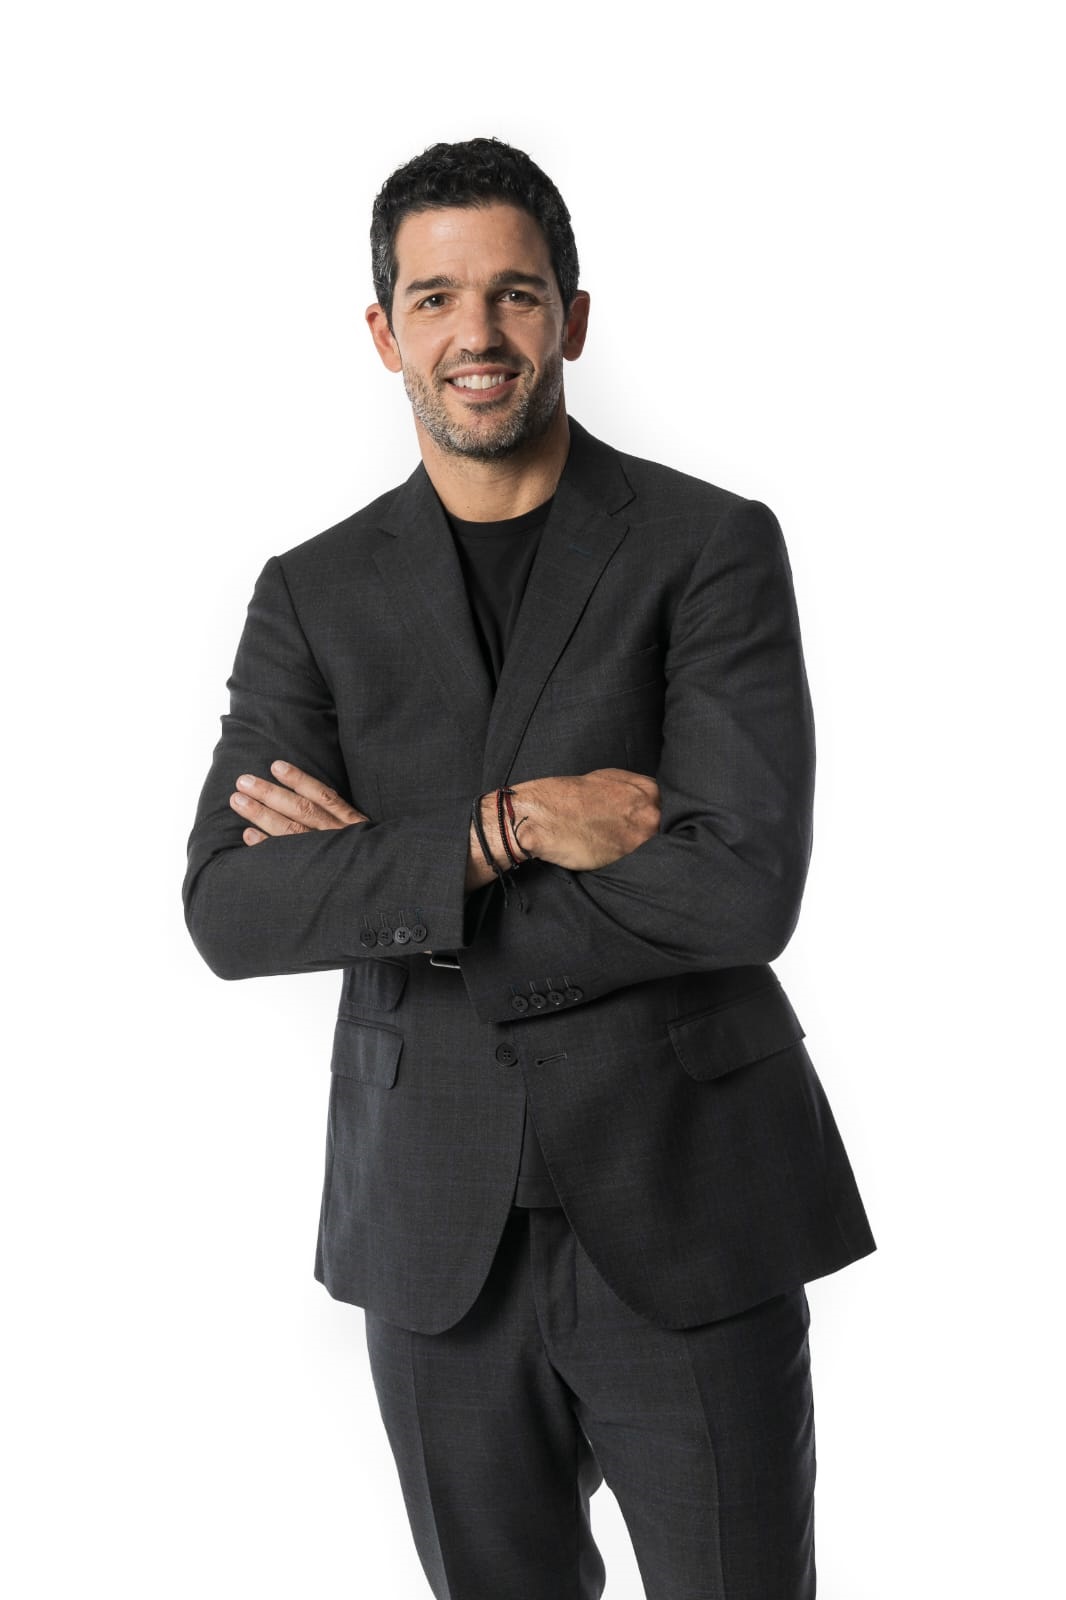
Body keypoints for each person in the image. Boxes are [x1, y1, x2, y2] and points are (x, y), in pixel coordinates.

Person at [184, 136, 876, 1600]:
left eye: (513, 293)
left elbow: (740, 889)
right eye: (434, 299)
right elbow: (233, 909)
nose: (477, 333)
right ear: (385, 334)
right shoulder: (312, 594)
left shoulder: (708, 547)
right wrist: (499, 830)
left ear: (572, 315)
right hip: (433, 1225)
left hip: (689, 1200)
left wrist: (389, 886)